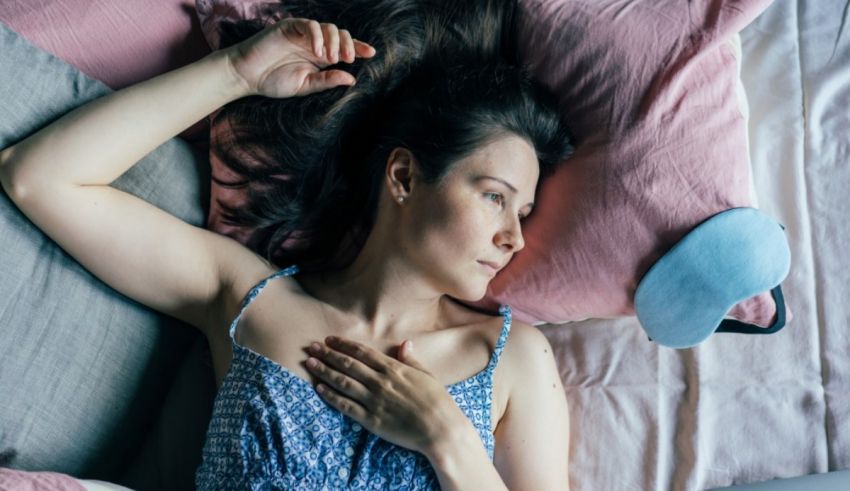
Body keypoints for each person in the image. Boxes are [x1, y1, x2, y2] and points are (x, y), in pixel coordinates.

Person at [0, 12, 571, 491]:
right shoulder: (250, 298)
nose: (513, 238)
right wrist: (235, 72)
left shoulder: (516, 358)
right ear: (403, 176)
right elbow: (38, 177)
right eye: (494, 197)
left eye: (521, 214)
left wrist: (449, 443)